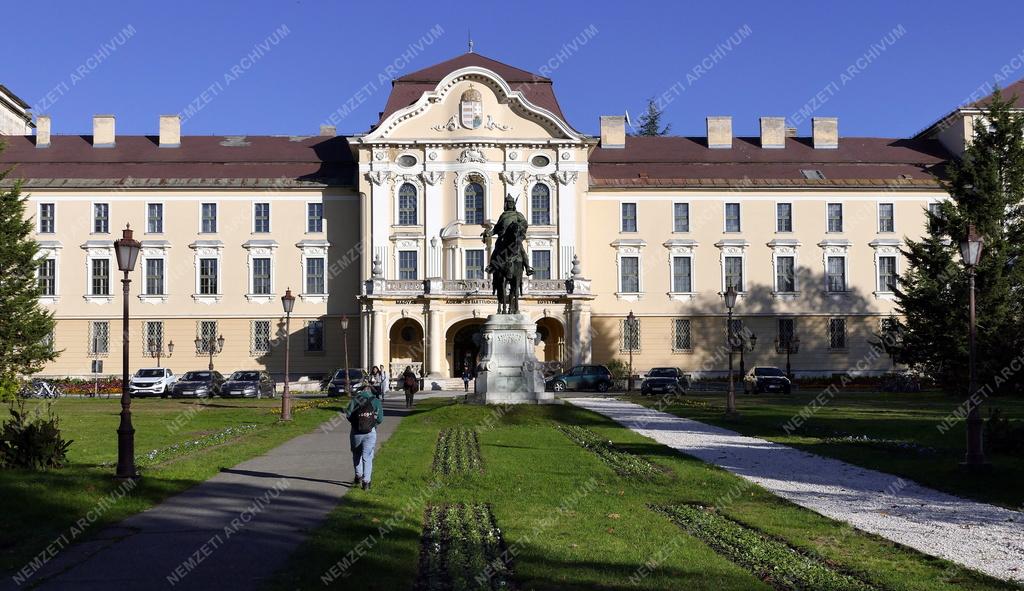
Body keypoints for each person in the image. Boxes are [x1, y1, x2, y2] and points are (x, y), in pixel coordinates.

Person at [344, 384, 384, 490]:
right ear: (370, 391)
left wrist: (355, 423)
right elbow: (380, 419)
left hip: (356, 432)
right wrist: (372, 424)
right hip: (371, 432)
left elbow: (347, 414)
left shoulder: (355, 400)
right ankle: (366, 482)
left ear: (361, 391)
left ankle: (358, 476)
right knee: (368, 456)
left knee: (356, 454)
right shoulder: (376, 401)